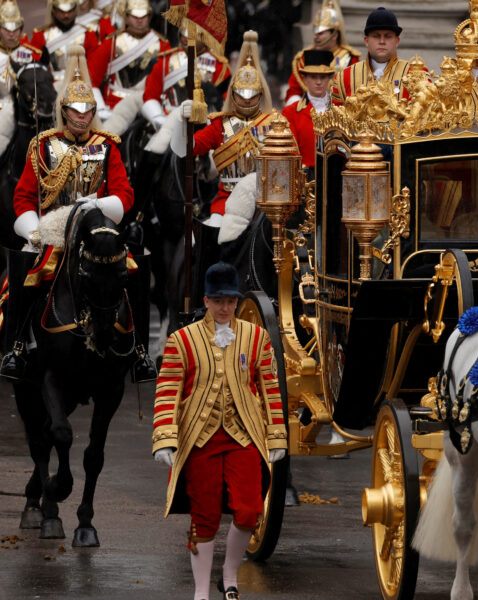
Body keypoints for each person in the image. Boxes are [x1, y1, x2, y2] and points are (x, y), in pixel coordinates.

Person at [152, 262, 287, 600]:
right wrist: (165, 439)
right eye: (218, 301)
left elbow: (270, 389)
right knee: (205, 515)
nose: (225, 308)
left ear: (237, 302)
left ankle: (229, 573)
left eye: (230, 301)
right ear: (206, 301)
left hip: (243, 437)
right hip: (200, 439)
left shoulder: (256, 337)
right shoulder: (181, 341)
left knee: (250, 510)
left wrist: (276, 436)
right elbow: (169, 391)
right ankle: (201, 591)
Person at [0, 45, 135, 379]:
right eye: (76, 110)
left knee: (131, 271)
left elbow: (124, 194)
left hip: (95, 231)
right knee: (20, 274)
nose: (83, 116)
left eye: (88, 109)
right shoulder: (43, 145)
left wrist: (98, 207)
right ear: (64, 110)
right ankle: (14, 346)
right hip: (52, 232)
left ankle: (139, 348)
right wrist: (34, 231)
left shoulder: (107, 146)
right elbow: (24, 197)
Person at [170, 31, 276, 226]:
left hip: (267, 205)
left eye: (252, 95)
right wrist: (181, 122)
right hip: (227, 203)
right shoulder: (220, 124)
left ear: (260, 95)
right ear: (232, 95)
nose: (246, 100)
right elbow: (184, 149)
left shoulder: (276, 124)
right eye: (241, 95)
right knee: (204, 240)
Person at [87, 0, 169, 118]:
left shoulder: (162, 45)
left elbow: (167, 83)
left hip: (147, 106)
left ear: (150, 16)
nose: (140, 20)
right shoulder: (112, 42)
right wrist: (100, 109)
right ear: (126, 16)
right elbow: (91, 79)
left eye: (144, 16)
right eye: (134, 16)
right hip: (114, 105)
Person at [141, 27, 231, 130]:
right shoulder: (166, 60)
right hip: (169, 121)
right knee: (157, 145)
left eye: (194, 35)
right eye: (185, 34)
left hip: (204, 124)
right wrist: (159, 120)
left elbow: (227, 105)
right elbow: (150, 96)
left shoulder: (219, 65)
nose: (187, 39)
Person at [331, 6, 423, 106]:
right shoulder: (344, 77)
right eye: (376, 36)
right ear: (366, 41)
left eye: (388, 36)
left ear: (397, 41)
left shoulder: (416, 74)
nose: (382, 41)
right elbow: (336, 118)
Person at [284, 0, 358, 106]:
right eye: (315, 32)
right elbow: (294, 91)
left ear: (335, 35)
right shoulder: (304, 58)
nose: (316, 36)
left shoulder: (351, 59)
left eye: (321, 33)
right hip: (306, 113)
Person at [281, 48, 330, 169]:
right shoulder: (290, 113)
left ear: (329, 78)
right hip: (305, 180)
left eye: (323, 77)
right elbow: (290, 153)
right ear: (305, 79)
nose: (319, 82)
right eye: (313, 77)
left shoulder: (342, 110)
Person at [29, 0, 96, 82]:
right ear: (54, 10)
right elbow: (34, 67)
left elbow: (93, 67)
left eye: (70, 11)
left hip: (80, 84)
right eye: (61, 12)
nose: (66, 15)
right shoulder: (41, 35)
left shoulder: (87, 34)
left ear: (75, 10)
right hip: (52, 85)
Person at [0, 0, 39, 110]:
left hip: (24, 111)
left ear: (21, 28)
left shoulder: (31, 54)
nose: (11, 33)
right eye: (6, 29)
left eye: (15, 28)